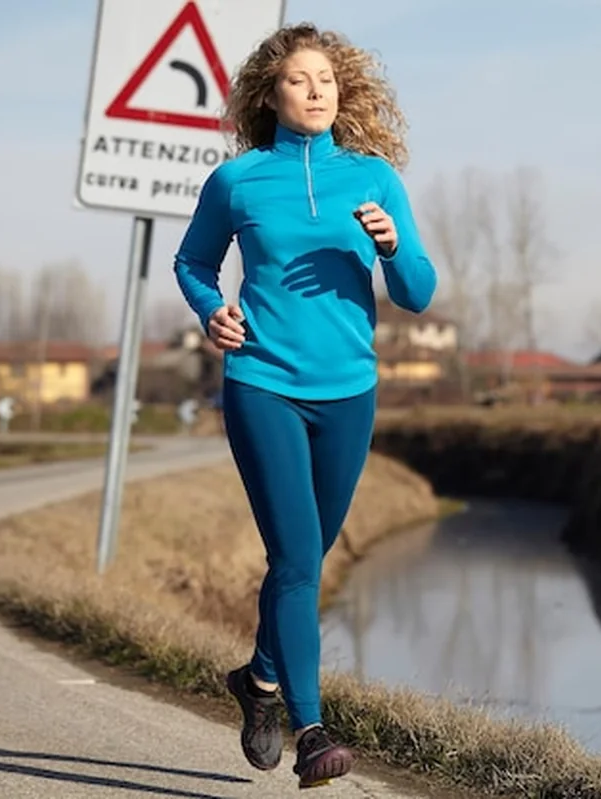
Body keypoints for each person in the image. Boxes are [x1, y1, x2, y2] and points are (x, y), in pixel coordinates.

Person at [172, 22, 436, 789]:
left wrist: (392, 247)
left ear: (342, 90)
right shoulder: (239, 180)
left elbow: (419, 293)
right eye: (299, 80)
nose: (316, 91)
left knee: (307, 557)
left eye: (326, 79)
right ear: (271, 94)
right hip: (263, 383)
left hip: (349, 392)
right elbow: (192, 262)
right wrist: (211, 310)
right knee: (293, 557)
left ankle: (258, 679)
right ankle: (312, 727)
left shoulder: (374, 179)